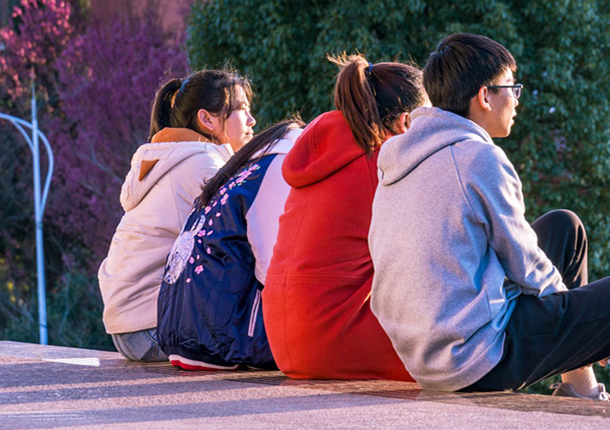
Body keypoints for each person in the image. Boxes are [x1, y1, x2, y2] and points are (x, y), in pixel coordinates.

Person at [368, 33, 610, 407]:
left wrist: (571, 318)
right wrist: (581, 323)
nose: (516, 100)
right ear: (484, 96)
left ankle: (580, 389)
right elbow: (524, 263)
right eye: (512, 88)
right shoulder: (477, 159)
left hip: (426, 353)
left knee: (564, 228)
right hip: (478, 359)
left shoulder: (400, 158)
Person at [262, 54, 427, 381]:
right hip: (334, 338)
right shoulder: (384, 163)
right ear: (406, 122)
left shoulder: (324, 152)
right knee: (460, 345)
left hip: (285, 338)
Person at [98, 69, 257, 362]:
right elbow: (246, 244)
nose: (252, 121)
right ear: (206, 119)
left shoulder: (174, 158)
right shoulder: (202, 166)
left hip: (133, 328)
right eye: (241, 110)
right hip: (153, 329)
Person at [157, 119, 304, 370]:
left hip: (181, 337)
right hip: (225, 343)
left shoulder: (242, 169)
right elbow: (272, 269)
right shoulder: (279, 166)